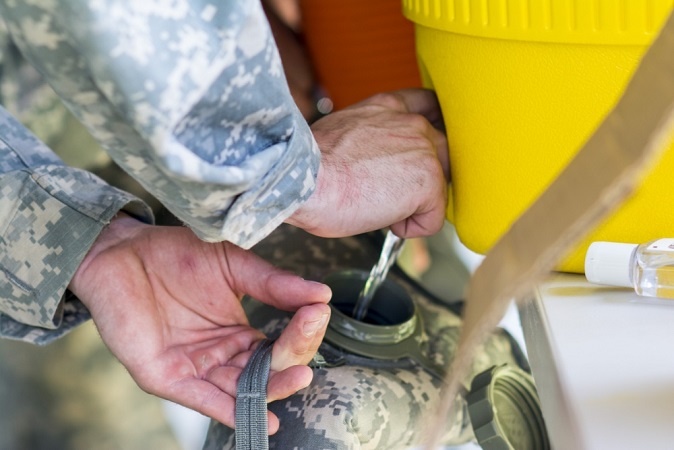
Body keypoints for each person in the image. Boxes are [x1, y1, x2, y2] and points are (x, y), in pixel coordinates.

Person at [0, 0, 449, 436]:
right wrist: (287, 168)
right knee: (85, 408)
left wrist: (95, 246)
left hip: (231, 119)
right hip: (35, 105)